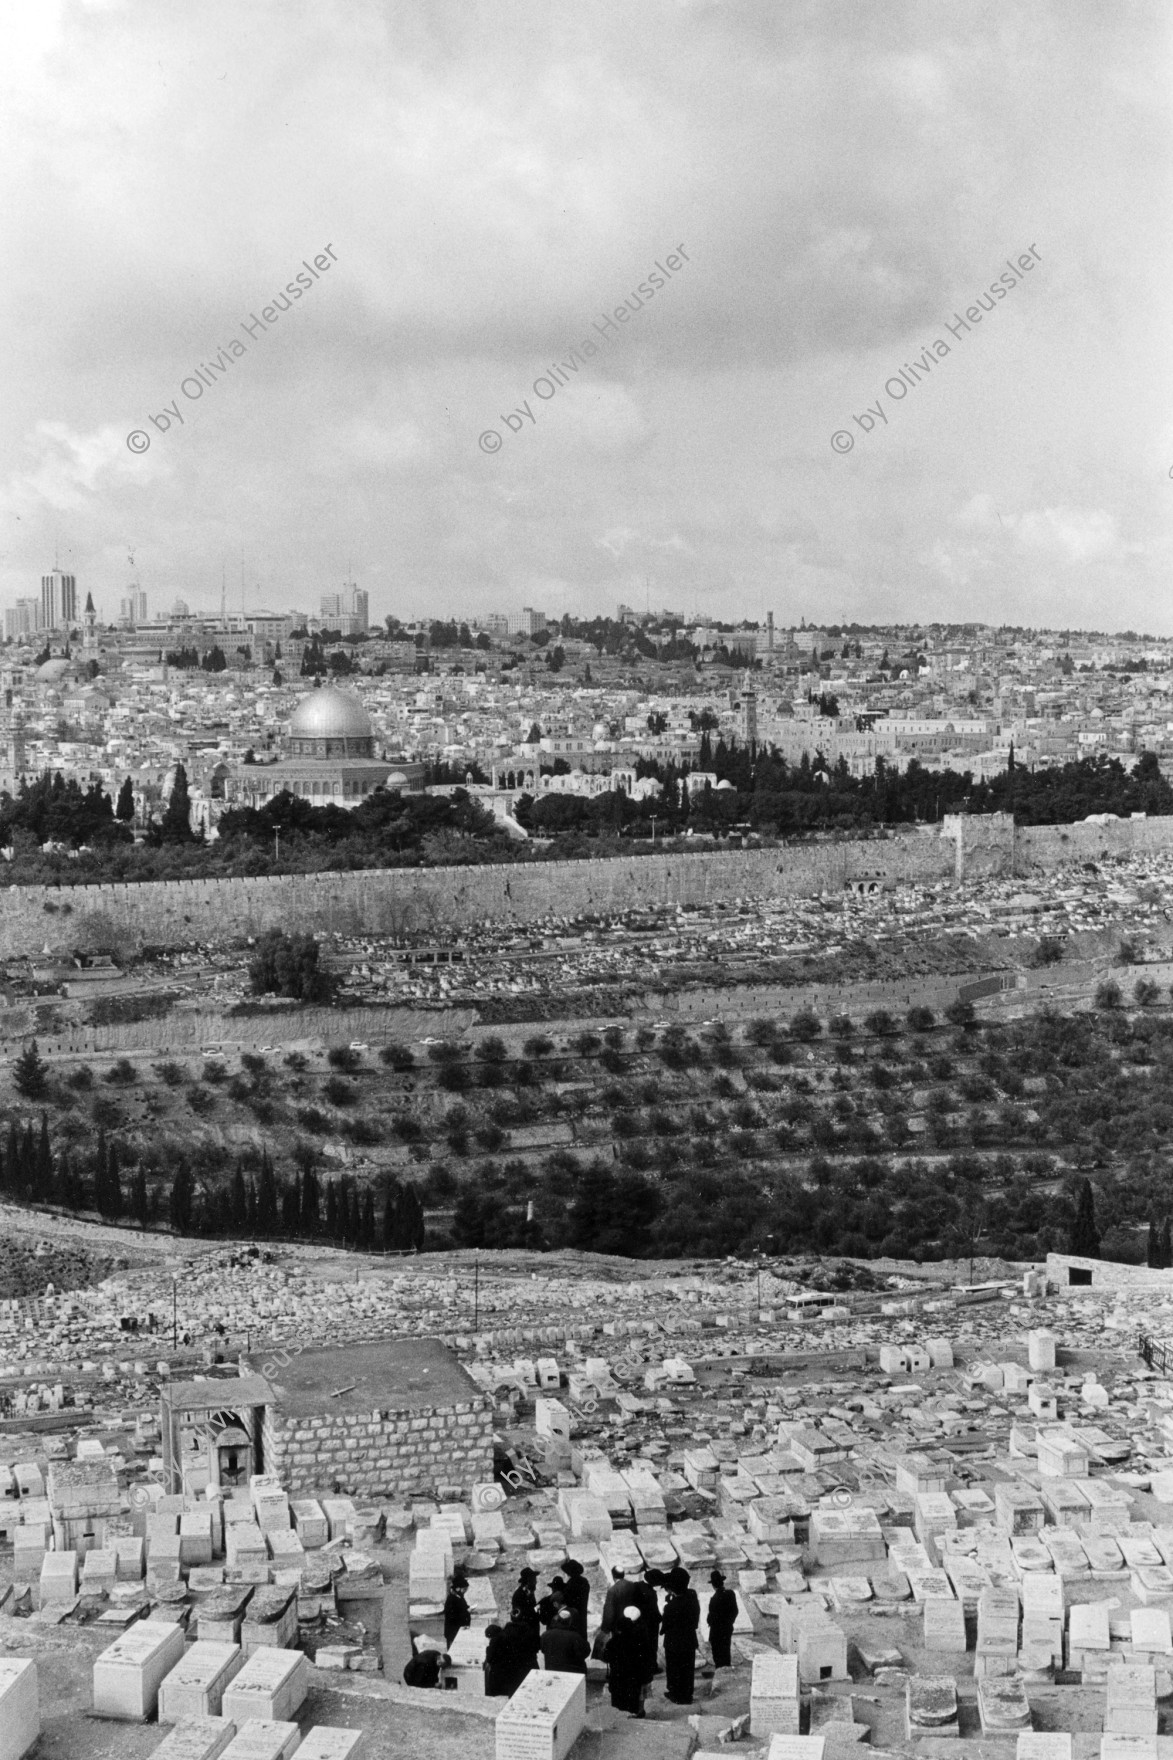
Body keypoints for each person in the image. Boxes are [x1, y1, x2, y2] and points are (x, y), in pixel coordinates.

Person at [662, 1577, 698, 1705]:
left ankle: (675, 1694)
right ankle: (687, 1696)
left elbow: (665, 1626)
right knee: (687, 1668)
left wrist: (668, 1604)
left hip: (674, 1642)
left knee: (674, 1669)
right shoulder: (692, 1597)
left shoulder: (670, 1607)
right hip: (689, 1639)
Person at [607, 1604, 646, 1716]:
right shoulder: (638, 1639)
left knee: (618, 1697)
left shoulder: (614, 1641)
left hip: (617, 1674)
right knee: (632, 1694)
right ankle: (633, 1712)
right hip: (633, 1674)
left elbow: (606, 1656)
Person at [629, 1564, 661, 1685]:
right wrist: (660, 1618)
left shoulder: (636, 1586)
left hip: (638, 1621)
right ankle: (652, 1667)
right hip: (650, 1623)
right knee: (651, 1646)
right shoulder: (651, 1593)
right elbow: (653, 1611)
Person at [539, 1606, 590, 1673]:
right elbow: (585, 1652)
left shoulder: (545, 1635)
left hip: (551, 1670)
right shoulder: (575, 1637)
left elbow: (543, 1650)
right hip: (573, 1673)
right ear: (570, 1621)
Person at [510, 1568, 540, 1673]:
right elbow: (516, 1615)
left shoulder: (530, 1592)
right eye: (534, 1580)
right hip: (524, 1633)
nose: (536, 1582)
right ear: (528, 1581)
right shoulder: (518, 1595)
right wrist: (535, 1610)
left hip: (532, 1631)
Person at [707, 1570, 739, 1669]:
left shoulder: (714, 1599)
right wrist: (730, 1622)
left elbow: (710, 1619)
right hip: (727, 1628)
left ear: (713, 1585)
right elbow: (735, 1611)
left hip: (717, 1632)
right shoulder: (731, 1594)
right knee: (726, 1652)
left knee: (718, 1657)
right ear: (722, 1582)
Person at [560, 1558, 590, 1641]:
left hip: (572, 1616)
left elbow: (566, 1600)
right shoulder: (584, 1581)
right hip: (582, 1613)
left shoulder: (570, 1584)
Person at [484, 1624, 513, 1697]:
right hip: (508, 1672)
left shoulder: (494, 1642)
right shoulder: (506, 1637)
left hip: (497, 1673)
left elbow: (489, 1659)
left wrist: (488, 1649)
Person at [444, 1573, 471, 1649]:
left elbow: (463, 1606)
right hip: (453, 1632)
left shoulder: (459, 1597)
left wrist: (468, 1608)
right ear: (458, 1589)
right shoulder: (451, 1600)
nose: (465, 1591)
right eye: (464, 1589)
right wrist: (466, 1612)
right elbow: (453, 1616)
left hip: (460, 1630)